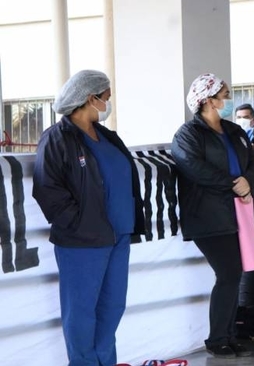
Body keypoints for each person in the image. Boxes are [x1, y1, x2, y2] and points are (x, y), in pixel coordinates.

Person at [32, 70, 145, 366]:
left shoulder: (107, 136)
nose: (109, 102)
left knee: (112, 308)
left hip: (118, 238)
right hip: (82, 242)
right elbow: (47, 189)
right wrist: (78, 223)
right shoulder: (57, 138)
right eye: (105, 97)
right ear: (89, 98)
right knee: (81, 313)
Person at [171, 73, 254, 358]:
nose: (228, 99)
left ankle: (228, 334)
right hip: (208, 216)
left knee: (235, 274)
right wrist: (233, 184)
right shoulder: (188, 134)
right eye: (223, 94)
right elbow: (192, 166)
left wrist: (248, 179)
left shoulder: (233, 129)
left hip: (239, 211)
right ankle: (217, 338)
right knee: (228, 272)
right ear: (208, 100)